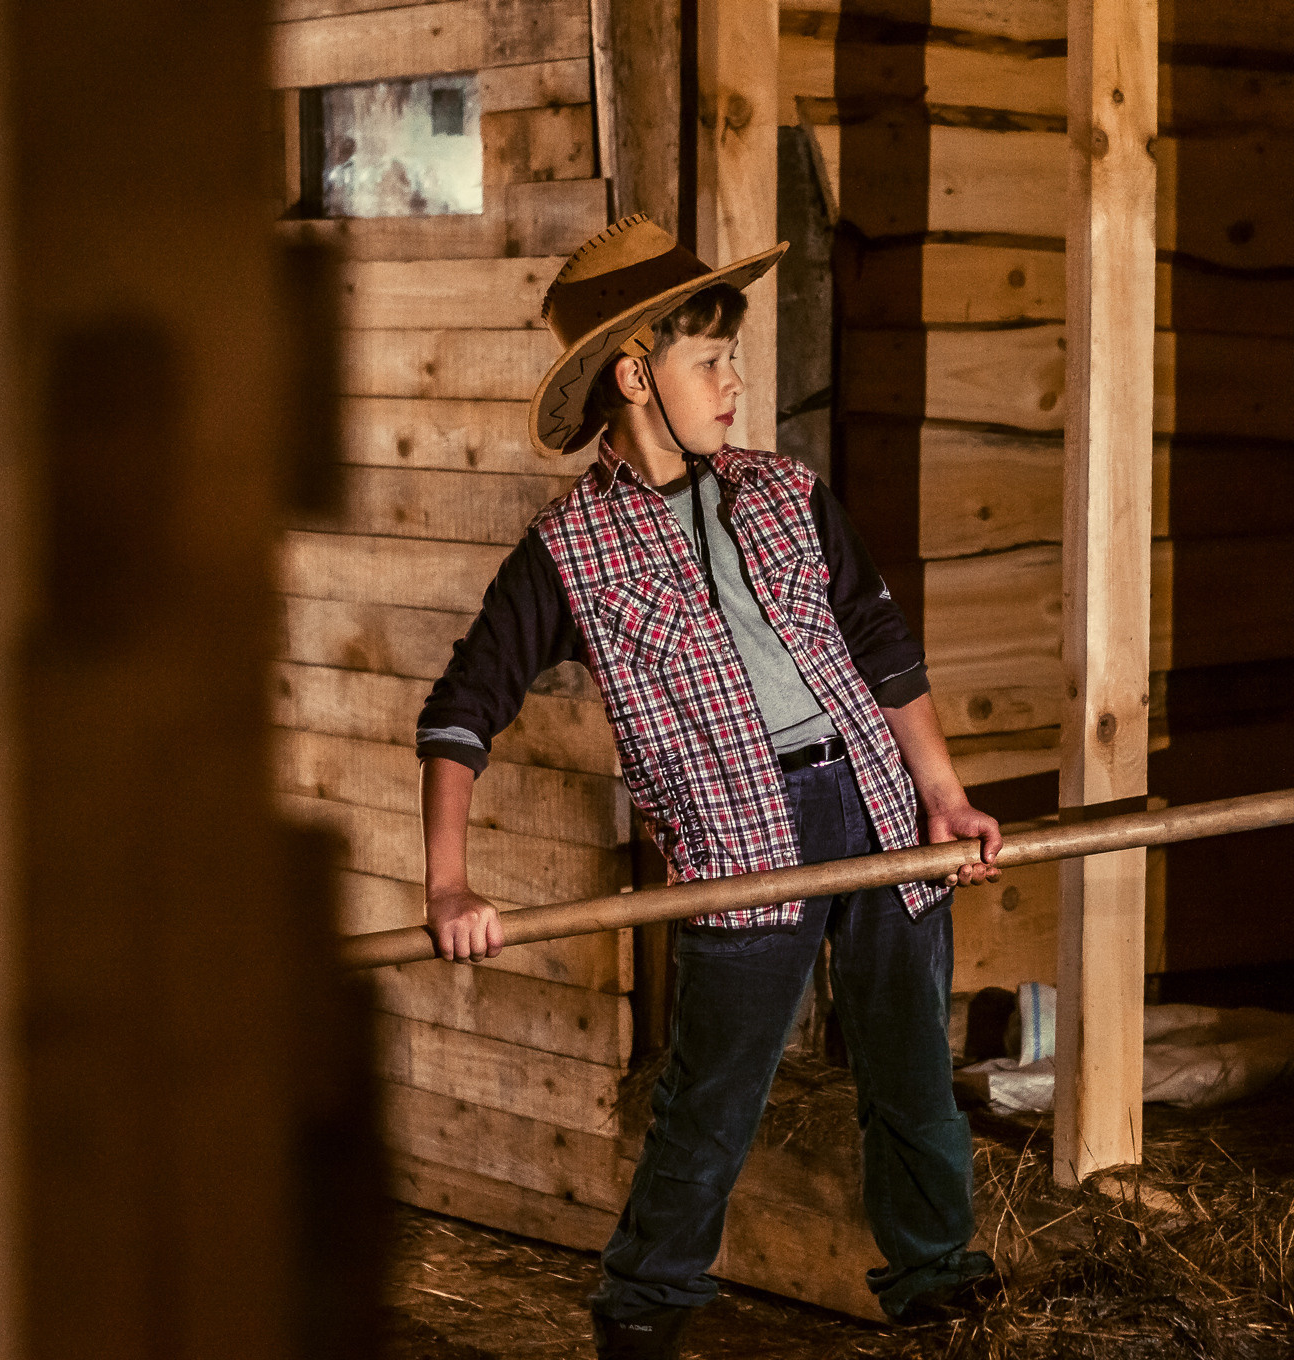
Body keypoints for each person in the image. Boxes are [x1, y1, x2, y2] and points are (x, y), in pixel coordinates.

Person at [412, 215, 1002, 1359]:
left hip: (877, 810)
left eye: (732, 360)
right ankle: (642, 1314)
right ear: (636, 374)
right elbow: (459, 710)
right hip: (738, 850)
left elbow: (879, 644)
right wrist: (448, 885)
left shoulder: (786, 492)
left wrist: (943, 790)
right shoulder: (568, 553)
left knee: (911, 1074)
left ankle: (941, 1294)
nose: (735, 384)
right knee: (711, 1106)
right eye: (709, 361)